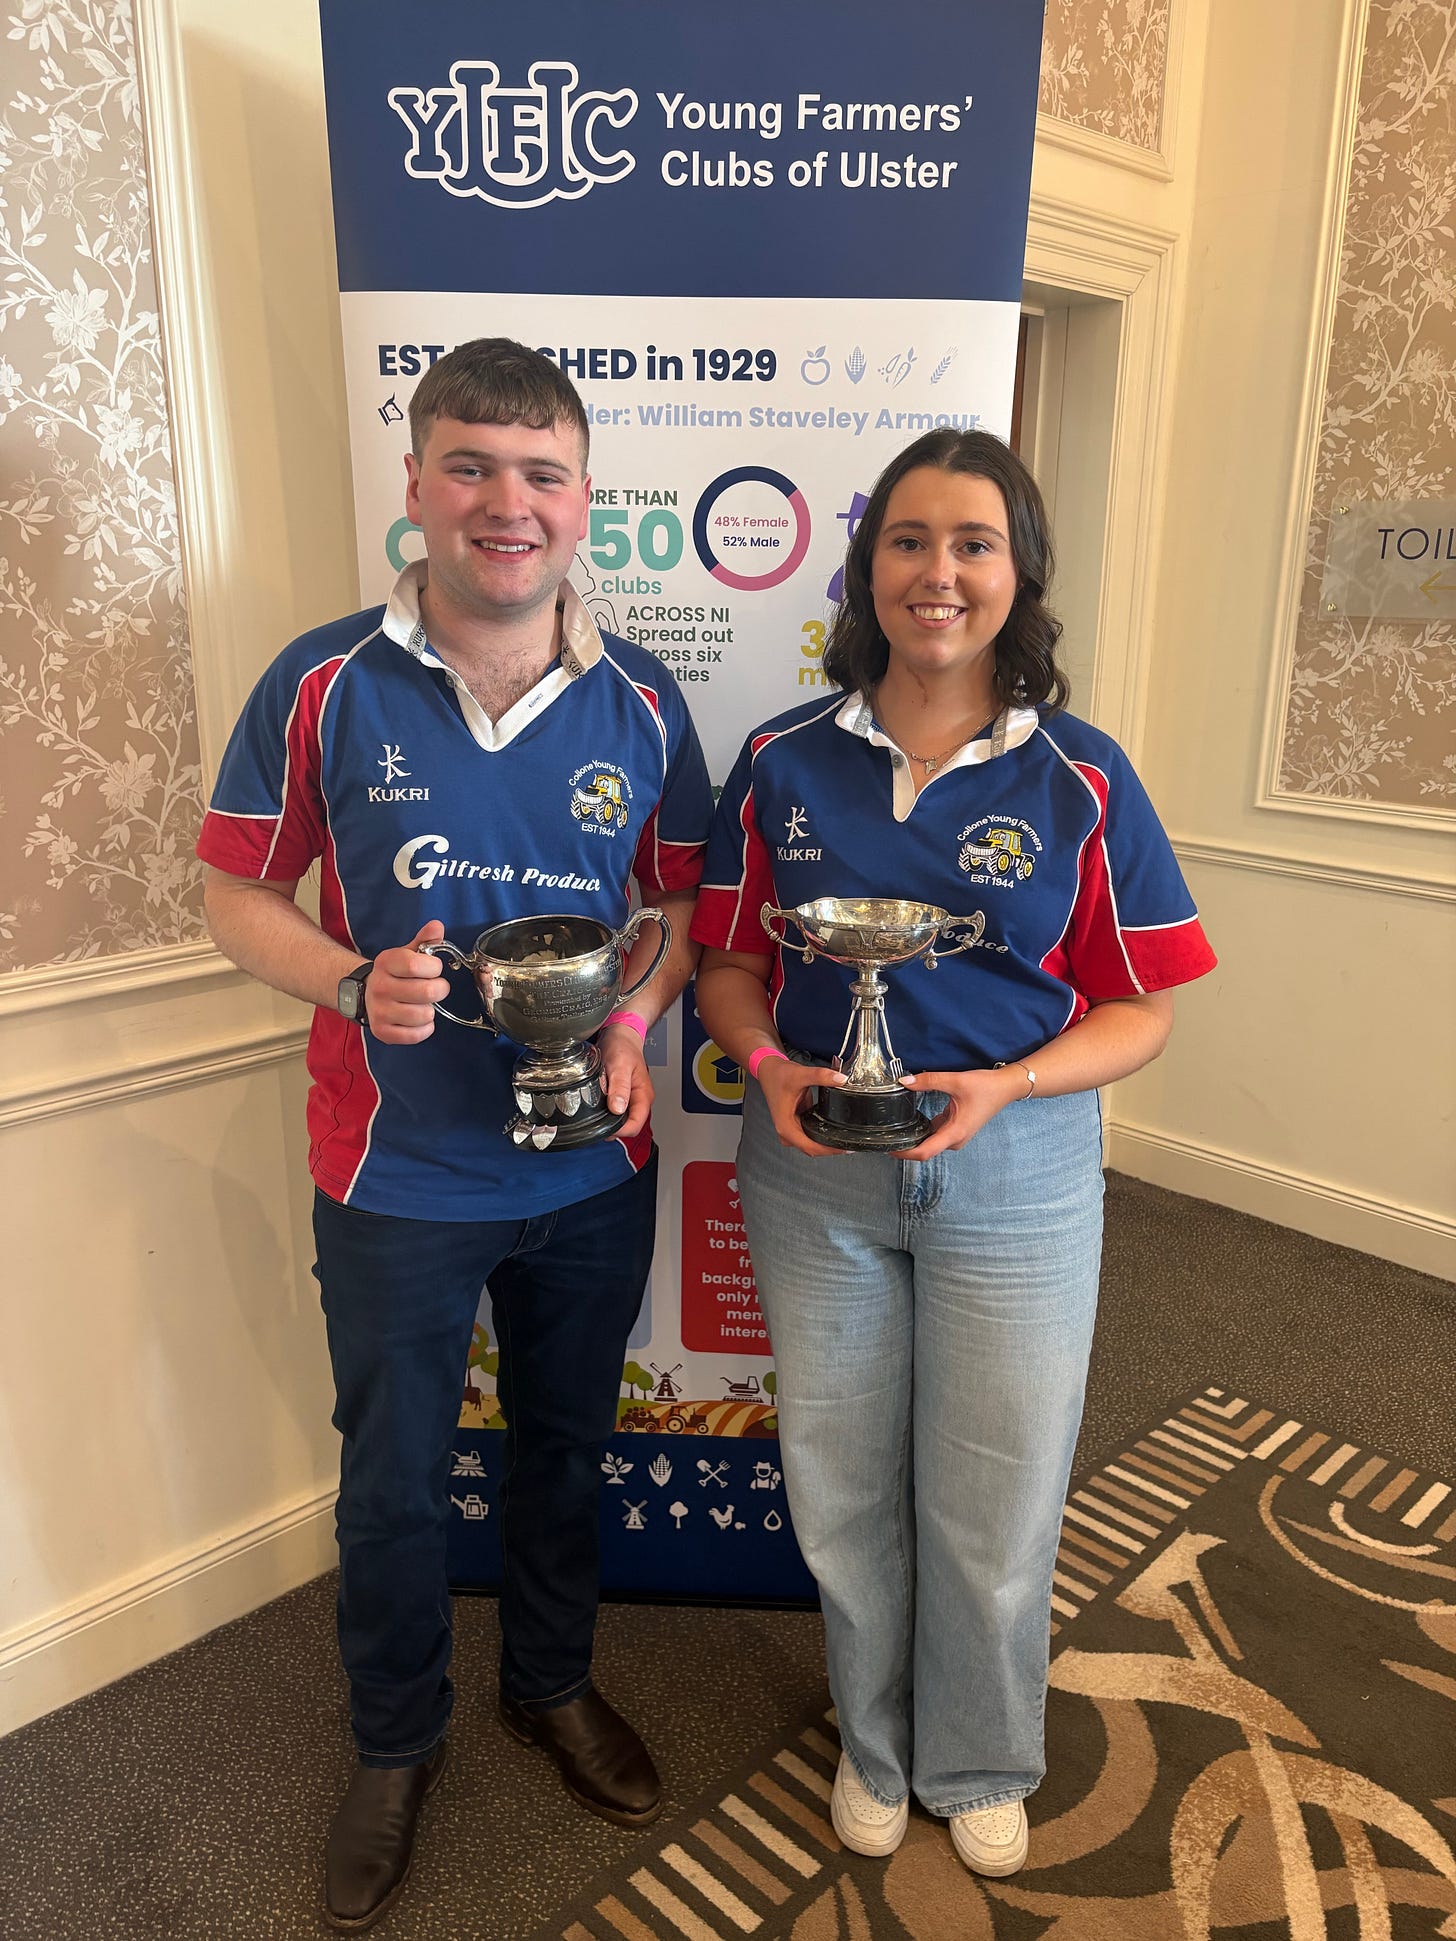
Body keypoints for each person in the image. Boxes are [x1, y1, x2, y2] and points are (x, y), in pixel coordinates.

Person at [198, 338, 711, 1931]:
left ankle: (548, 1682)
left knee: (566, 1447)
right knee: (397, 1481)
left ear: (585, 499)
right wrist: (354, 981)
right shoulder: (322, 683)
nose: (508, 502)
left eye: (542, 472)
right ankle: (394, 1735)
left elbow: (675, 905)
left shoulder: (643, 699)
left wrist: (630, 1017)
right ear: (416, 483)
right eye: (472, 466)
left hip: (591, 1165)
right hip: (393, 1170)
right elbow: (232, 890)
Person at [691, 428, 1215, 1879]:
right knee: (842, 1478)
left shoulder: (1081, 775)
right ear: (868, 570)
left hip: (1017, 1170)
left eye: (974, 543)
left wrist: (1011, 1084)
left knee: (997, 1491)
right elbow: (728, 964)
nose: (939, 572)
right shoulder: (781, 759)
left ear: (1019, 572)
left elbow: (1144, 1009)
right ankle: (874, 1742)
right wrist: (777, 1066)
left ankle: (979, 1755)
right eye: (909, 541)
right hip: (815, 1169)